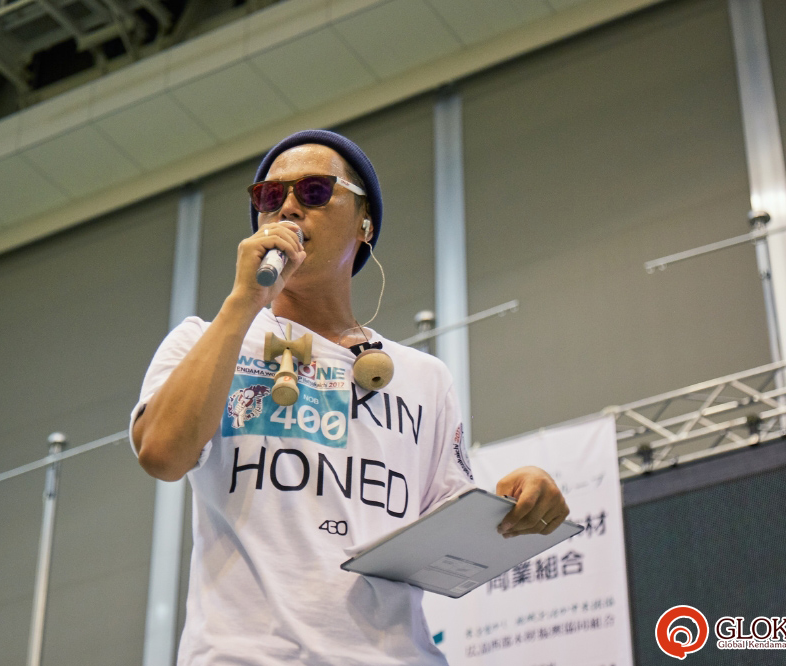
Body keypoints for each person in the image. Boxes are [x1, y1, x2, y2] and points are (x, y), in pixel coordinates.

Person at [130, 129, 569, 665]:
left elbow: (448, 535)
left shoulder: (425, 378)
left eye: (314, 190)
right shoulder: (205, 340)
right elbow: (161, 454)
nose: (288, 206)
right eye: (269, 195)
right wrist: (244, 302)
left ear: (366, 223)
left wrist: (520, 500)